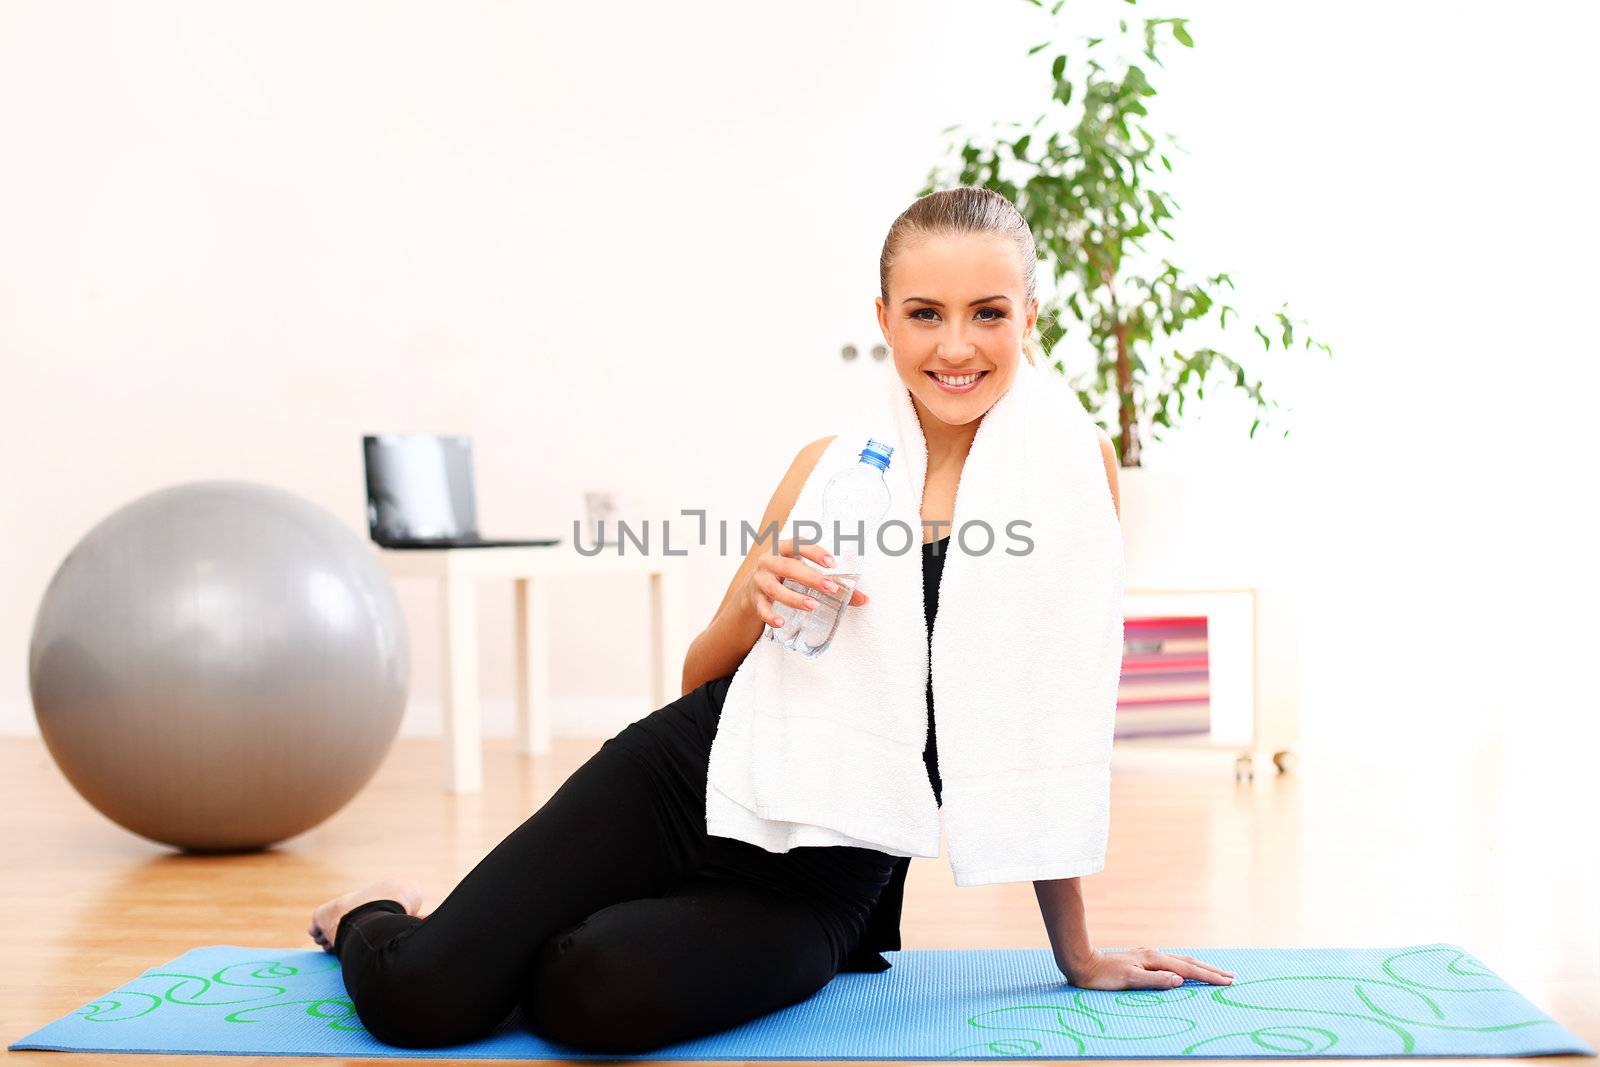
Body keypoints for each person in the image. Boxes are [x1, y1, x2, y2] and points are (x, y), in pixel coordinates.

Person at [306, 187, 1235, 1053]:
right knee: (419, 998)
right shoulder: (827, 468)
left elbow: (1046, 724)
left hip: (819, 878)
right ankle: (371, 909)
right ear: (884, 321)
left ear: (1028, 317)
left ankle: (557, 930)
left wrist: (1077, 953)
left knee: (587, 995)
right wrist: (756, 595)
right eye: (925, 313)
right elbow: (701, 679)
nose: (957, 346)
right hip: (685, 779)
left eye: (988, 312)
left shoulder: (1075, 477)